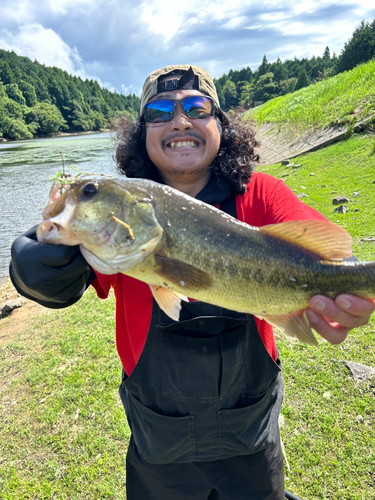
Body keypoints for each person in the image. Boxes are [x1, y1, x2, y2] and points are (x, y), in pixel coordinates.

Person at [9, 65, 375, 500]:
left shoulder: (261, 195)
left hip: (252, 438)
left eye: (198, 108)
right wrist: (37, 272)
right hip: (158, 445)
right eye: (160, 111)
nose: (180, 120)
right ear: (142, 133)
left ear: (220, 125)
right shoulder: (122, 213)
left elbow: (331, 256)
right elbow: (65, 280)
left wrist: (353, 286)